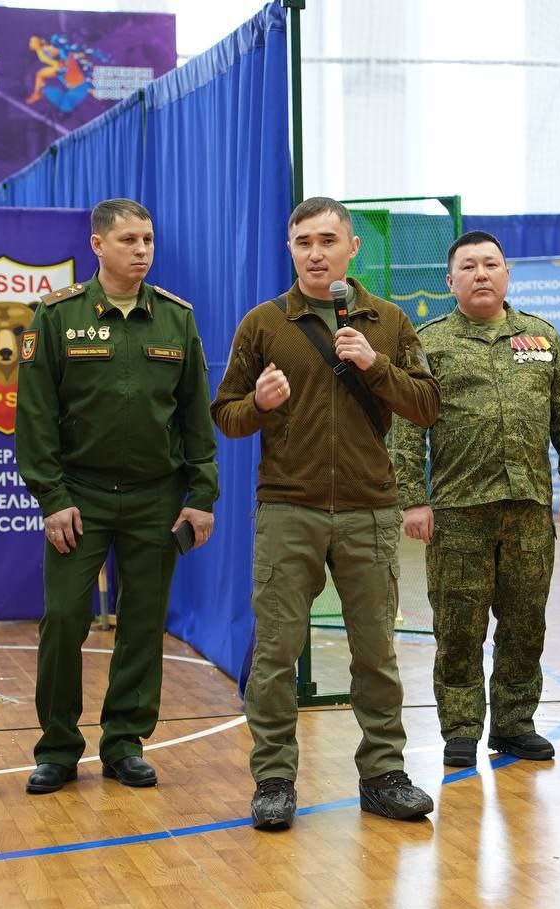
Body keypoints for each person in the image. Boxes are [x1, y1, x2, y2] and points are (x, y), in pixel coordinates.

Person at [212, 197, 440, 829]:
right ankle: (274, 779)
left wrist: (375, 365)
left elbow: (426, 405)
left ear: (352, 248)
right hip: (289, 508)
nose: (316, 253)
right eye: (304, 242)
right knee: (276, 653)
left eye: (328, 241)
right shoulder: (264, 323)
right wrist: (258, 404)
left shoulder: (388, 321)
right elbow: (225, 415)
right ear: (289, 248)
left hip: (370, 510)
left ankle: (384, 774)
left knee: (376, 652)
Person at [15, 198, 217, 793]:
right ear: (97, 245)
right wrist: (52, 498)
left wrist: (202, 492)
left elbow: (195, 416)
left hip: (157, 497)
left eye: (148, 239)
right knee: (63, 618)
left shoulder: (176, 318)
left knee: (142, 622)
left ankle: (125, 742)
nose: (142, 250)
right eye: (129, 240)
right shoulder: (57, 316)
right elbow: (35, 416)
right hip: (80, 496)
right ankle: (57, 747)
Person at [391, 230, 560, 768]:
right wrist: (413, 499)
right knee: (458, 626)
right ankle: (460, 728)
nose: (480, 274)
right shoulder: (428, 343)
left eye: (490, 264)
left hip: (528, 508)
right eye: (469, 266)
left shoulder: (541, 338)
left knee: (525, 624)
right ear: (450, 281)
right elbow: (406, 426)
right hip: (458, 511)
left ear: (507, 274)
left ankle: (514, 724)